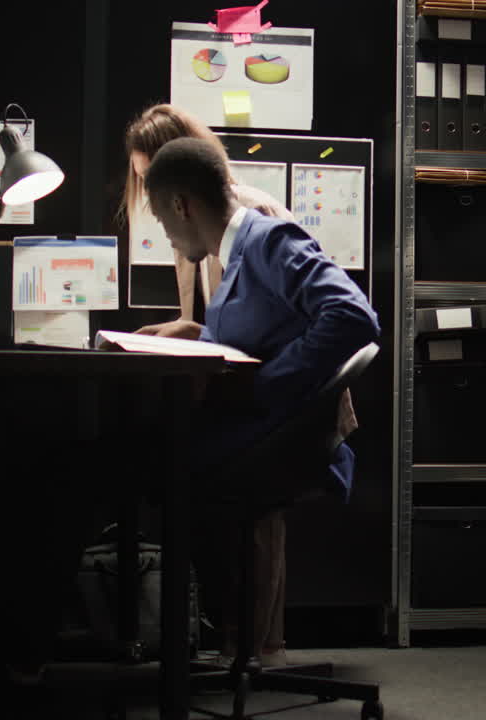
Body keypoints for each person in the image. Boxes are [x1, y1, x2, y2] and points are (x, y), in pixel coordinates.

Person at [139, 137, 380, 664]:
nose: (167, 236)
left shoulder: (266, 240)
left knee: (127, 466)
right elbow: (258, 335)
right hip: (248, 434)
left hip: (273, 442)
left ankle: (179, 666)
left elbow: (354, 316)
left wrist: (265, 382)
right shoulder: (235, 255)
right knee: (133, 458)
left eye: (161, 219)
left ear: (181, 205)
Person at [121, 103, 290, 325]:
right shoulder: (189, 232)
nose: (149, 195)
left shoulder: (257, 215)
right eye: (143, 180)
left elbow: (270, 326)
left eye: (151, 180)